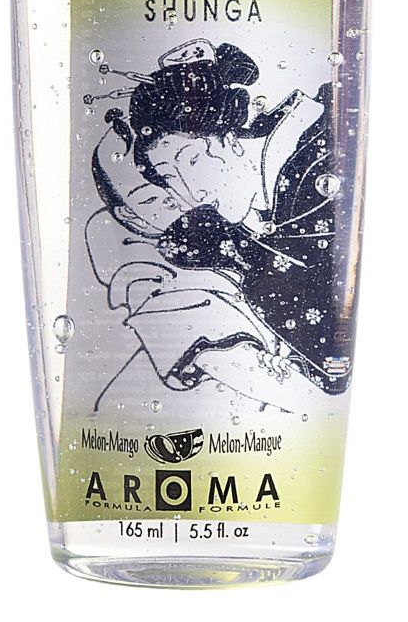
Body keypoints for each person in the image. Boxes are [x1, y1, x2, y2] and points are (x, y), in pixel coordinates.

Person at [86, 39, 353, 413]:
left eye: (192, 161)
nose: (190, 194)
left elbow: (331, 363)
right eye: (170, 179)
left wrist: (237, 251)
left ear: (229, 139)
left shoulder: (313, 164)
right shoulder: (266, 203)